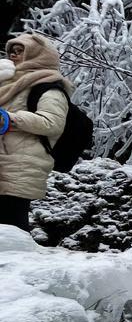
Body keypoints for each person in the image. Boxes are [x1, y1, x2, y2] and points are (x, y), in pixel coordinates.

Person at [0, 34, 72, 232]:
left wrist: (10, 118)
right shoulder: (7, 83)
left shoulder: (49, 87)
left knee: (11, 229)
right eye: (12, 51)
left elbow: (52, 122)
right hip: (4, 161)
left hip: (20, 165)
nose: (14, 56)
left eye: (20, 51)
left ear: (39, 54)